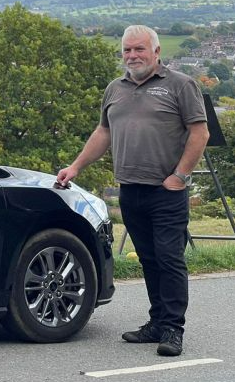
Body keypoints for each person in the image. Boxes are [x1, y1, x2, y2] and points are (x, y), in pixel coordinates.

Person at [56, 25, 209, 357]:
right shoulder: (115, 89)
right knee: (150, 259)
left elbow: (200, 133)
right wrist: (76, 166)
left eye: (139, 49)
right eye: (127, 50)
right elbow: (103, 132)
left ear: (156, 52)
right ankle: (156, 322)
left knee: (169, 259)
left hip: (166, 191)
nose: (132, 56)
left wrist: (180, 176)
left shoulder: (181, 85)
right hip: (131, 190)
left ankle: (172, 329)